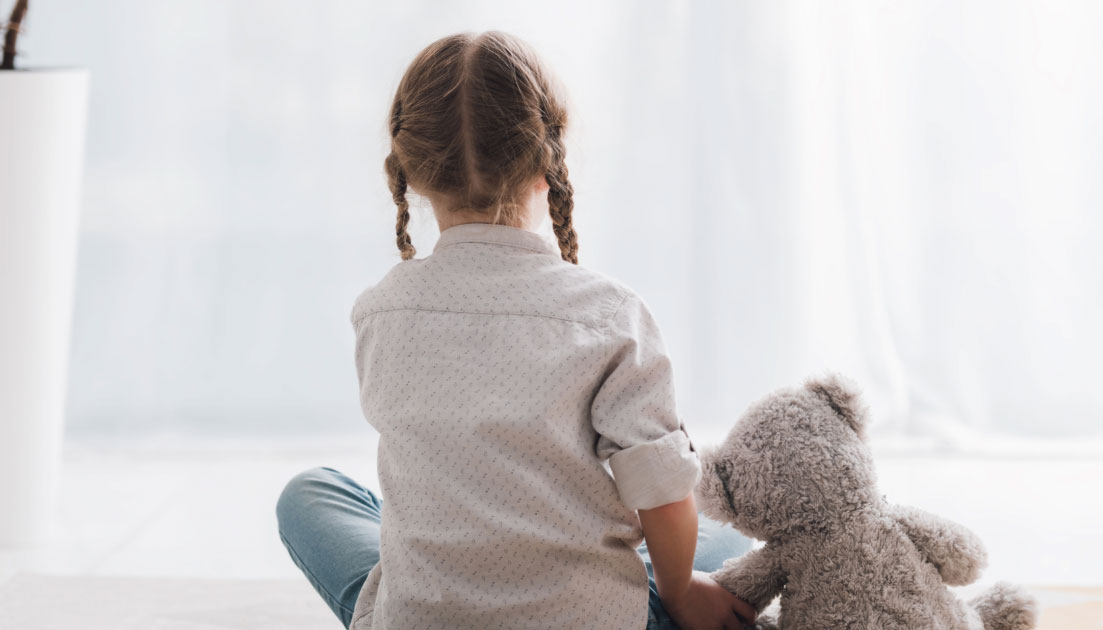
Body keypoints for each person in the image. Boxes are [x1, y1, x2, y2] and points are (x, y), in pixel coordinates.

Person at [275, 30, 759, 630]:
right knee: (711, 534)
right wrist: (683, 593)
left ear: (413, 173)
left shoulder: (379, 311)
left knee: (310, 493)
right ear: (546, 165)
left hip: (423, 619)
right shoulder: (610, 314)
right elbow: (662, 495)